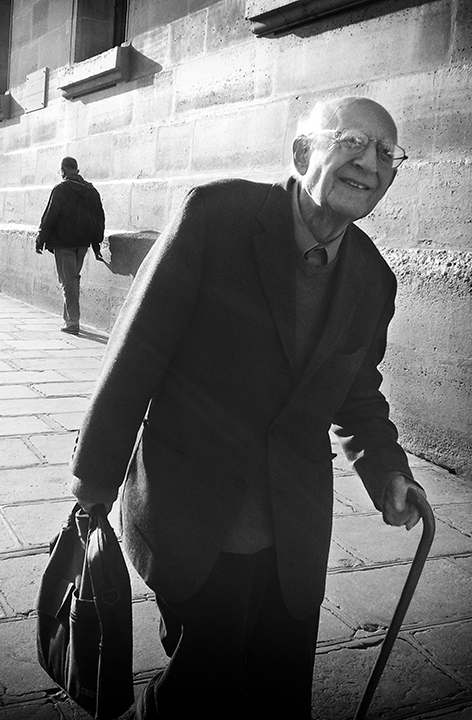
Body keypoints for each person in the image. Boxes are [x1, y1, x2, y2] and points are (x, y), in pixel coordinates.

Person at [70, 96, 426, 719]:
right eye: (351, 142)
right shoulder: (217, 216)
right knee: (198, 691)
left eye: (386, 155)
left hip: (292, 531)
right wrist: (94, 481)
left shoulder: (372, 277)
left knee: (280, 697)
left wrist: (387, 471)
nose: (368, 164)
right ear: (300, 154)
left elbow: (357, 391)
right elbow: (137, 353)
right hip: (192, 514)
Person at [35, 156, 105, 334]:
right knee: (72, 280)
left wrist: (40, 239)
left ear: (63, 170)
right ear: (77, 171)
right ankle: (69, 319)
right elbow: (99, 219)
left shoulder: (60, 189)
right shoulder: (91, 191)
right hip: (82, 244)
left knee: (68, 282)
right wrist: (96, 245)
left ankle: (73, 322)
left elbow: (50, 216)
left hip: (64, 243)